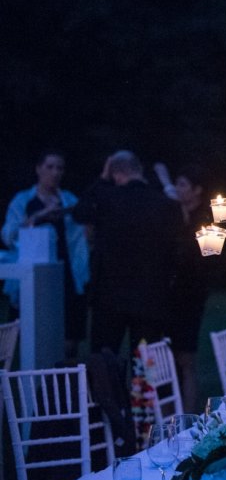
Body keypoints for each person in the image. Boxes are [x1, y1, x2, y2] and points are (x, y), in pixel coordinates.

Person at [72, 150, 183, 356]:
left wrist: (102, 180)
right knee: (146, 364)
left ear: (116, 174)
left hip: (109, 297)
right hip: (150, 297)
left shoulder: (107, 199)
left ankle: (108, 389)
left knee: (105, 358)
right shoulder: (162, 204)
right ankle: (140, 390)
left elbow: (80, 212)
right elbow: (179, 230)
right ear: (139, 170)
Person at [1, 150, 90, 359]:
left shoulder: (68, 200)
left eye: (59, 168)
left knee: (69, 336)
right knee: (27, 331)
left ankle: (62, 378)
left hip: (66, 271)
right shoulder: (24, 200)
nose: (55, 172)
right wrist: (41, 215)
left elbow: (81, 237)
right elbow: (9, 234)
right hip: (33, 274)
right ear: (39, 169)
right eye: (50, 167)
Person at [154, 161, 212, 414]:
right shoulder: (174, 214)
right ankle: (167, 417)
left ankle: (187, 415)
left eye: (183, 185)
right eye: (177, 184)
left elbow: (198, 258)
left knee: (185, 358)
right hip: (168, 297)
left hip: (190, 297)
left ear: (197, 190)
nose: (178, 189)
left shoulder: (205, 219)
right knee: (164, 361)